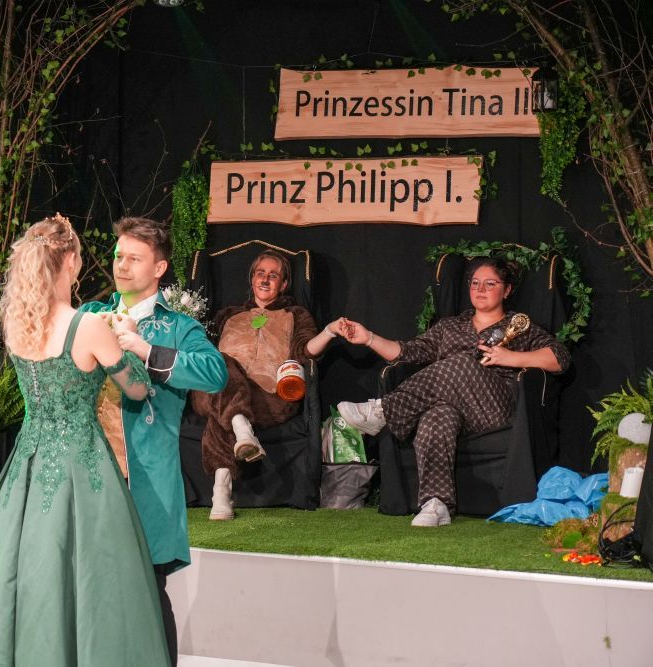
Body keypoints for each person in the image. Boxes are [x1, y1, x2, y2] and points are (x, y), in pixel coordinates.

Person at [0, 215, 171, 666]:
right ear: (69, 261)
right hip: (85, 467)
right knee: (93, 578)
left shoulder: (16, 325)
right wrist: (126, 339)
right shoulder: (88, 326)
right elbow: (137, 389)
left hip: (25, 469)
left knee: (22, 568)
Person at [81, 216, 228, 666]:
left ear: (159, 268)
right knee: (88, 586)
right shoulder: (89, 315)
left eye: (134, 258)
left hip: (145, 477)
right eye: (118, 256)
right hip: (90, 473)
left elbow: (215, 373)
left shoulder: (177, 327)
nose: (121, 266)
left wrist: (143, 349)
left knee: (147, 587)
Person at [335, 257, 571, 527]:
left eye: (490, 284)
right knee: (438, 415)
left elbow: (560, 358)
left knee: (461, 363)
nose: (480, 289)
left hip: (495, 408)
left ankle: (382, 411)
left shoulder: (519, 328)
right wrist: (368, 338)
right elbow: (407, 352)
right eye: (475, 283)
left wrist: (511, 357)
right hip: (458, 411)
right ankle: (436, 504)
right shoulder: (450, 327)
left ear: (506, 290)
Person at [190, 250, 343, 520]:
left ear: (284, 284)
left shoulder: (295, 314)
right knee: (220, 365)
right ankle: (242, 429)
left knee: (223, 411)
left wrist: (329, 331)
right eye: (260, 273)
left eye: (273, 276)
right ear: (251, 279)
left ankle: (222, 492)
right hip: (212, 389)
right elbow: (202, 354)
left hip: (269, 397)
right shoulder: (228, 315)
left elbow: (305, 351)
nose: (265, 279)